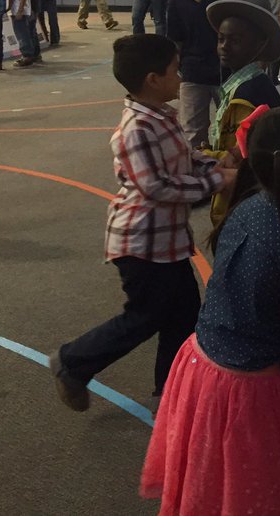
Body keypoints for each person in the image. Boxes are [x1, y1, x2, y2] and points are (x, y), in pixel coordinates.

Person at [140, 106, 280, 516]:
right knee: (251, 488)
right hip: (249, 390)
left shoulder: (248, 206)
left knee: (211, 481)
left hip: (198, 365)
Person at [50, 34, 236, 414]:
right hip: (141, 243)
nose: (181, 77)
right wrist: (219, 181)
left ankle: (170, 392)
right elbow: (156, 186)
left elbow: (183, 160)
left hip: (167, 243)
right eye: (174, 70)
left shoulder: (162, 116)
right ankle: (73, 361)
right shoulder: (136, 129)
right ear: (153, 79)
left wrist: (215, 164)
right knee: (145, 316)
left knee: (183, 316)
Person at [199, 0, 280, 224]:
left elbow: (248, 156)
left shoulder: (251, 94)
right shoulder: (239, 84)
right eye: (221, 39)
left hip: (246, 198)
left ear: (259, 46)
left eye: (235, 41)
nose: (225, 47)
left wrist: (207, 157)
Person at [166, 0, 234, 148]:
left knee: (231, 128)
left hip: (225, 73)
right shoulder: (177, 1)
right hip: (192, 72)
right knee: (193, 131)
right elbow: (175, 40)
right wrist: (173, 71)